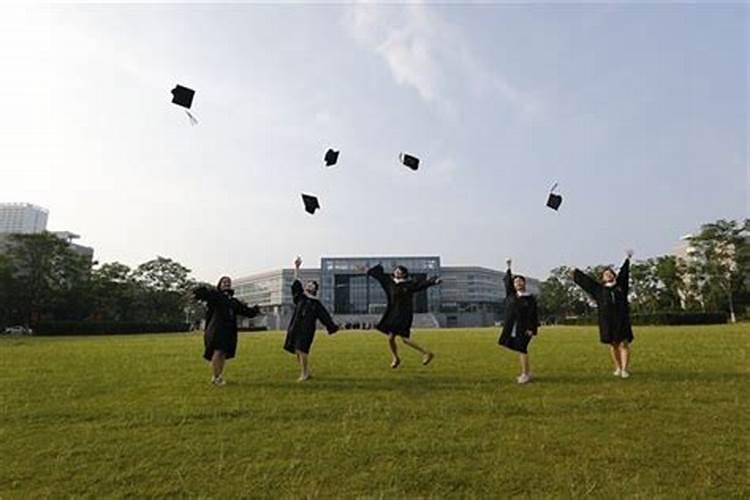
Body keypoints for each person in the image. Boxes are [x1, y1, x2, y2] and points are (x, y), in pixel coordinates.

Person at [572, 250, 635, 378]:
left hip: (621, 319)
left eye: (610, 273)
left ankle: (624, 369)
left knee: (623, 343)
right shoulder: (599, 290)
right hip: (607, 321)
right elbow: (587, 282)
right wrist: (576, 273)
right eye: (605, 274)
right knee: (613, 344)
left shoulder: (621, 286)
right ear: (602, 278)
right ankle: (617, 367)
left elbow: (624, 273)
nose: (608, 275)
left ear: (614, 275)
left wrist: (627, 259)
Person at [367, 263, 441, 368]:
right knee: (391, 338)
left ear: (404, 274)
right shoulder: (390, 283)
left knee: (404, 338)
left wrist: (433, 281)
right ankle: (396, 358)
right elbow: (380, 276)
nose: (396, 272)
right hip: (393, 312)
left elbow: (421, 285)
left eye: (399, 271)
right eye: (396, 270)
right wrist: (367, 270)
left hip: (403, 314)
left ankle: (426, 353)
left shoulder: (409, 284)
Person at [193, 276, 261, 386]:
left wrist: (255, 310)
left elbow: (245, 311)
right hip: (217, 328)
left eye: (229, 282)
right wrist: (201, 290)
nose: (227, 284)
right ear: (219, 284)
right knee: (218, 351)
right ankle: (216, 377)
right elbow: (204, 295)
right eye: (224, 282)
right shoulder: (216, 296)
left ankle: (218, 375)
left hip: (229, 330)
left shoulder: (233, 301)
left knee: (223, 353)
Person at [284, 256, 340, 381]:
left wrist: (332, 327)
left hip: (307, 329)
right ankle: (306, 372)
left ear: (315, 289)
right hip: (296, 326)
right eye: (308, 284)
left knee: (302, 350)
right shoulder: (300, 297)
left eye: (312, 284)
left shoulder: (316, 303)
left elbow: (325, 317)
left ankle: (304, 374)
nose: (309, 285)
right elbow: (296, 282)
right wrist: (297, 267)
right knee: (297, 351)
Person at [498, 258, 539, 384]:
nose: (518, 283)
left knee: (522, 349)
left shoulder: (530, 298)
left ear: (524, 283)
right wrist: (509, 268)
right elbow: (507, 283)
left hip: (525, 327)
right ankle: (527, 372)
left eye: (520, 281)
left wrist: (532, 329)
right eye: (516, 282)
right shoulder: (511, 296)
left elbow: (534, 315)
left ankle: (525, 374)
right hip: (512, 327)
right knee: (517, 347)